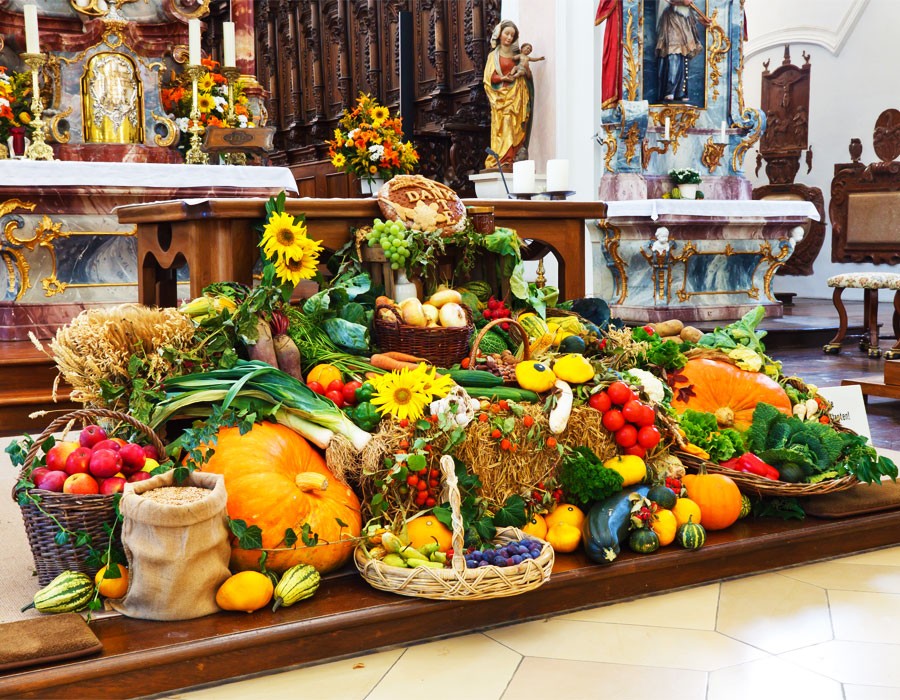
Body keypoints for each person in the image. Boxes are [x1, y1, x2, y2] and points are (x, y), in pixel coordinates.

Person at [483, 20, 534, 169]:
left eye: (512, 35)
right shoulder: (493, 56)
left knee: (516, 126)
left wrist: (525, 72)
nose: (509, 38)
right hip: (500, 97)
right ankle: (502, 159)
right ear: (499, 35)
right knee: (504, 125)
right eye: (507, 34)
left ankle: (513, 159)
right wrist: (502, 78)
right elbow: (488, 78)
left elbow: (528, 76)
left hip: (518, 95)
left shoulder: (518, 55)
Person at [656, 0, 711, 103]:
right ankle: (669, 90)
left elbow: (690, 10)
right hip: (671, 22)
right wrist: (680, 1)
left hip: (684, 24)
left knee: (683, 58)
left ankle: (680, 92)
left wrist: (701, 20)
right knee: (673, 55)